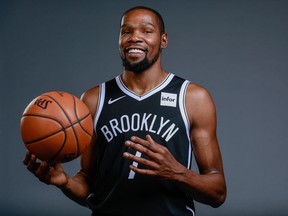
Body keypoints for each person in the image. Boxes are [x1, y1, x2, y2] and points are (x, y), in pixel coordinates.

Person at [23, 6, 226, 216]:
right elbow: (88, 186)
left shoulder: (192, 98)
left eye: (146, 31)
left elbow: (217, 193)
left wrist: (178, 173)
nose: (134, 37)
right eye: (126, 31)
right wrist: (65, 182)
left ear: (163, 40)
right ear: (119, 40)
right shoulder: (94, 99)